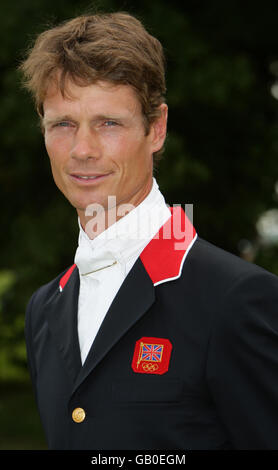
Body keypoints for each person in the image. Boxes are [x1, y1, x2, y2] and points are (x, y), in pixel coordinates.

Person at [20, 12, 278, 450]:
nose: (82, 150)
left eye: (109, 123)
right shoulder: (44, 310)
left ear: (156, 128)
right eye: (63, 124)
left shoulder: (236, 298)